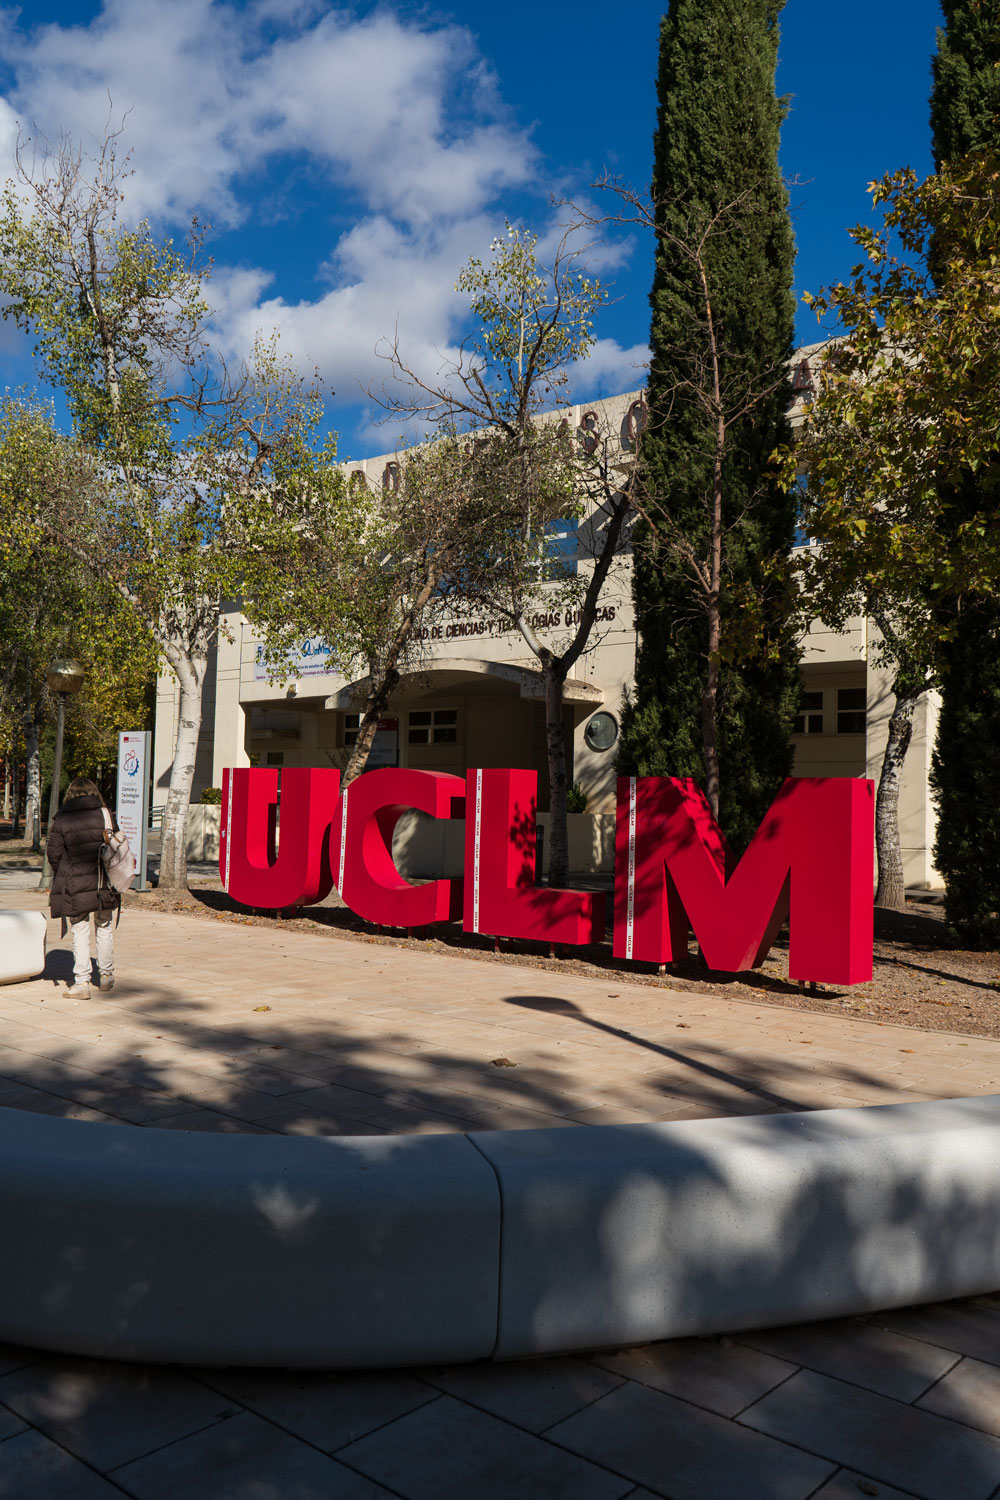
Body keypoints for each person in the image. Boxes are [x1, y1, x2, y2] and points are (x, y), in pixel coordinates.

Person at [47, 776, 120, 998]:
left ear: (70, 795)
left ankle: (82, 983)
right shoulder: (105, 814)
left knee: (79, 929)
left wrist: (66, 871)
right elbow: (116, 846)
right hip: (103, 881)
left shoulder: (62, 818)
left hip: (74, 883)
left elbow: (54, 854)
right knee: (104, 925)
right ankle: (106, 976)